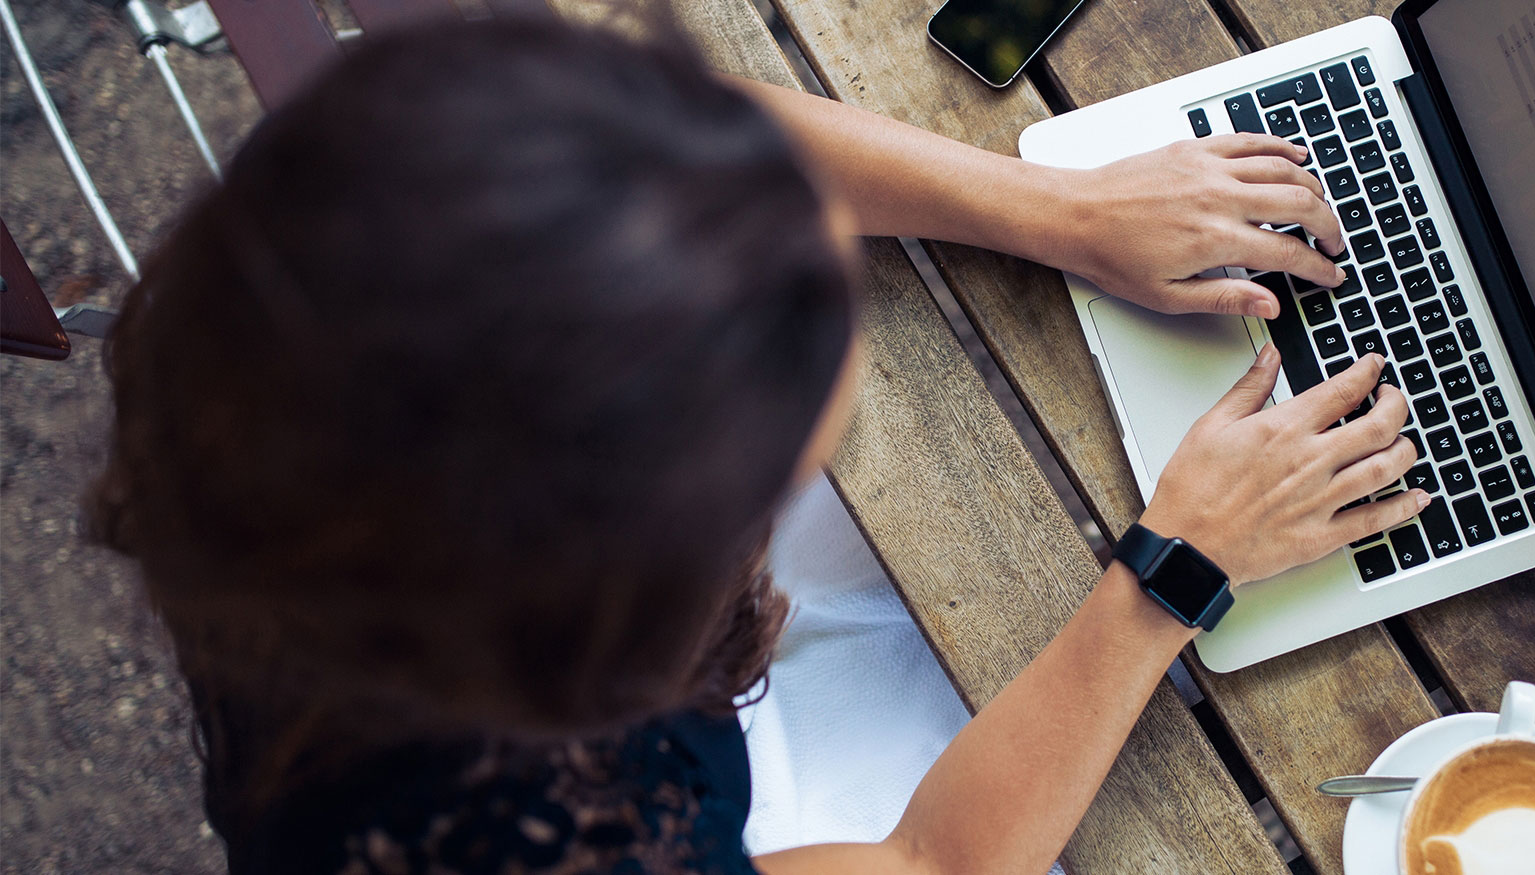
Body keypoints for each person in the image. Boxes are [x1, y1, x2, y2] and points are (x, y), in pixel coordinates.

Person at [87, 17, 1426, 875]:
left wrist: (1058, 210)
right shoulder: (572, 833)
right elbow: (923, 866)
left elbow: (683, 156)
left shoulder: (308, 361)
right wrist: (1172, 574)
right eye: (791, 454)